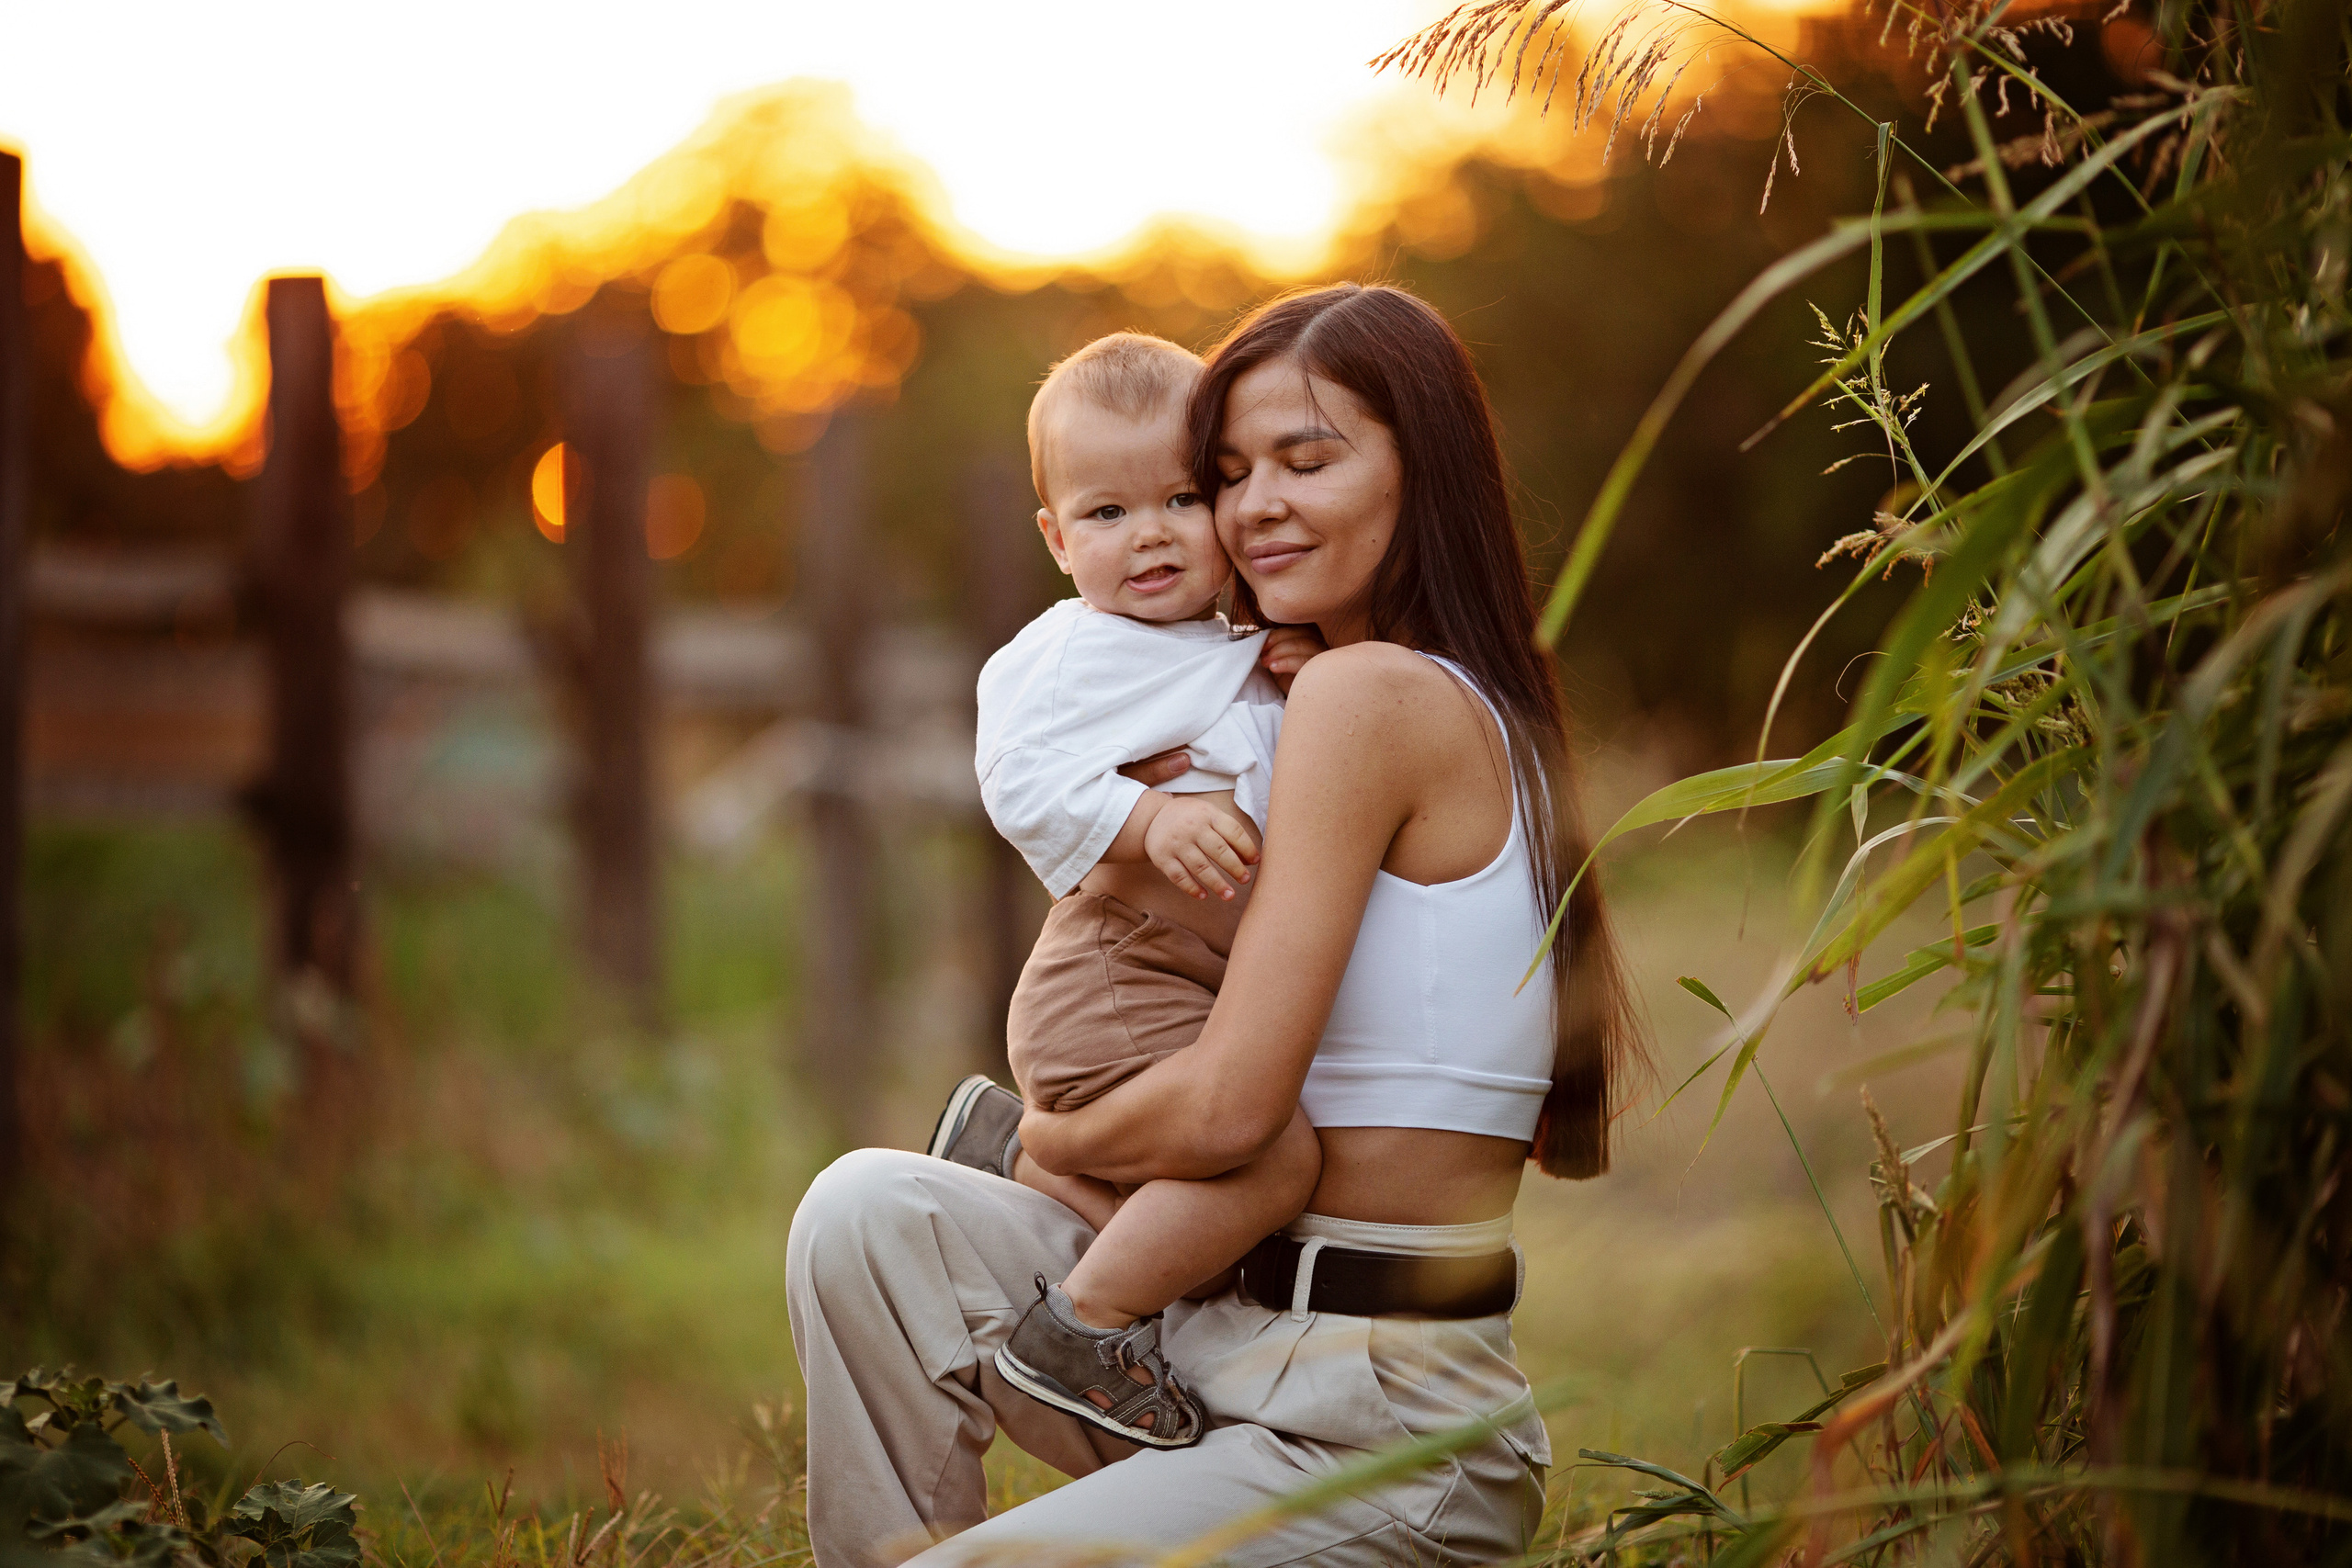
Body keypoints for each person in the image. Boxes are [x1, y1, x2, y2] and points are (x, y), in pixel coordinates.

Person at [786, 283, 1648, 1568]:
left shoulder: (1370, 698)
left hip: (1373, 1426)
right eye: (1228, 472)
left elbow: (1235, 1115)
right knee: (864, 1209)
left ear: (1430, 472)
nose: (1253, 507)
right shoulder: (1354, 693)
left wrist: (1047, 1137)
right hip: (1220, 1341)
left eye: (1309, 460)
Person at [947, 331, 1326, 1450]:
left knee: (1209, 1197)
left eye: (1177, 497)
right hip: (1115, 973)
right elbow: (1014, 779)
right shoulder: (1070, 654)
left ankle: (1013, 1158)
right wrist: (1149, 819)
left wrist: (1290, 673)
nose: (1149, 533)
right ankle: (1079, 1328)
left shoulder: (1214, 643)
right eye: (1107, 515)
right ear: (1058, 541)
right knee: (1274, 1158)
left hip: (1183, 976)